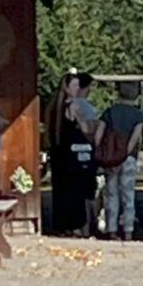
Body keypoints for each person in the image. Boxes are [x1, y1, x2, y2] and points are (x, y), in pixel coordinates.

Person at [95, 81, 143, 242]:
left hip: (110, 159)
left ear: (119, 94)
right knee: (128, 194)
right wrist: (124, 153)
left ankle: (111, 230)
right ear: (137, 96)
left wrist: (101, 153)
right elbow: (134, 139)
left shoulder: (109, 112)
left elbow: (98, 135)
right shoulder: (138, 115)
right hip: (128, 158)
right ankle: (128, 230)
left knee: (111, 194)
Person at [50, 71, 99, 236]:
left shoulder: (54, 106)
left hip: (59, 153)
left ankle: (62, 225)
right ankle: (79, 225)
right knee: (77, 191)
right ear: (68, 87)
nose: (78, 89)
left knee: (60, 190)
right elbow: (87, 130)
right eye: (75, 85)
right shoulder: (74, 105)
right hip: (76, 154)